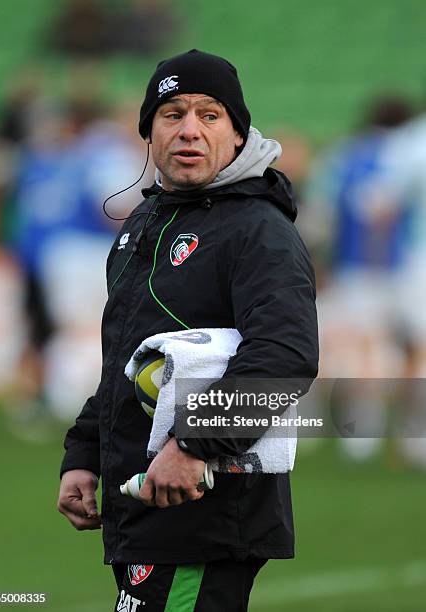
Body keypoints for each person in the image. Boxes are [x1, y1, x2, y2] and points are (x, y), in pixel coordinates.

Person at [58, 49, 318, 611]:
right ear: (148, 132)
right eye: (172, 114)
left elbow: (284, 357)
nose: (189, 130)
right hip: (143, 508)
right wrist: (85, 452)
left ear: (239, 134)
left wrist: (195, 446)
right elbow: (124, 358)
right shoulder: (144, 225)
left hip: (207, 512)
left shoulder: (259, 230)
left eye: (209, 115)